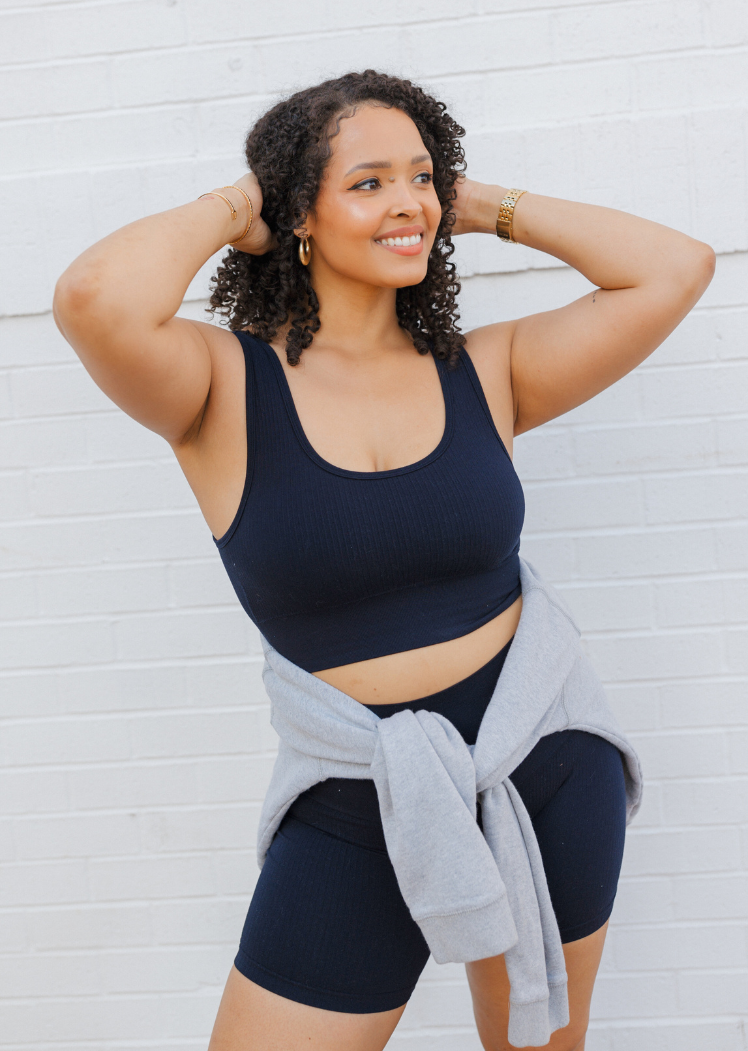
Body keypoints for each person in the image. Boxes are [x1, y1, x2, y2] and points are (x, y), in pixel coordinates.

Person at [53, 70, 714, 1051]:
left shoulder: (486, 369)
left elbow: (675, 267)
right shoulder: (218, 384)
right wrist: (240, 204)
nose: (407, 201)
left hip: (543, 760)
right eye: (368, 183)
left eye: (421, 177)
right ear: (299, 213)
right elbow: (93, 297)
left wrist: (471, 203)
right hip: (355, 795)